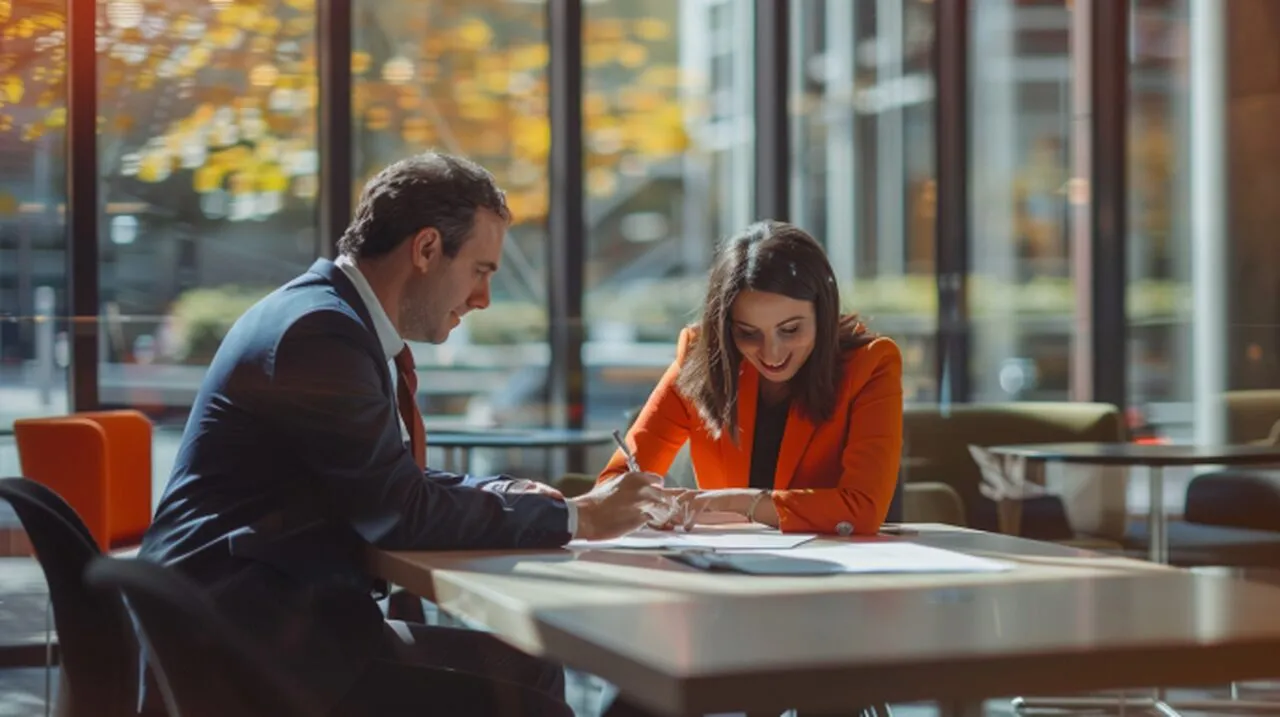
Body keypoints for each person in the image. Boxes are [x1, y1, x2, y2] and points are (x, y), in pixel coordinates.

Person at [139, 152, 672, 717]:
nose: (483, 298)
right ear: (425, 250)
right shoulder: (319, 333)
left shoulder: (331, 318)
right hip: (245, 649)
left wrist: (501, 493)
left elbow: (380, 475)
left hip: (268, 622)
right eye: (480, 271)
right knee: (532, 709)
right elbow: (396, 509)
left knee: (526, 665)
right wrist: (579, 517)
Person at [599, 220, 903, 535]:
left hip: (836, 573)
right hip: (722, 569)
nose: (771, 354)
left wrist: (737, 503)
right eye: (748, 333)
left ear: (823, 313)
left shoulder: (871, 365)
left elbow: (863, 510)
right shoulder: (700, 359)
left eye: (790, 330)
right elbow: (613, 487)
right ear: (726, 328)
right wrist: (654, 508)